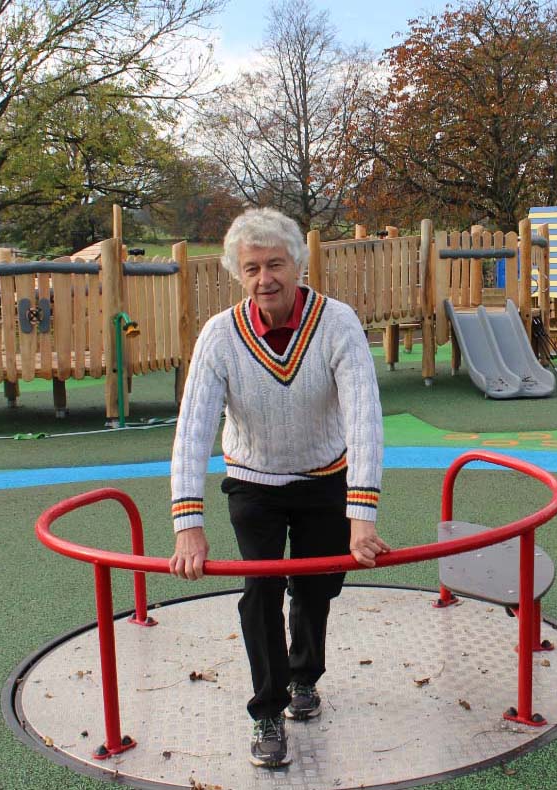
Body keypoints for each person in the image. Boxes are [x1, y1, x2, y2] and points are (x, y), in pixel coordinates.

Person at [168, 207, 390, 768]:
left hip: (324, 476)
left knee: (316, 586)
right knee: (259, 591)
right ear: (236, 275)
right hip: (253, 481)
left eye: (275, 264)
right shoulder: (220, 336)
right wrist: (188, 527)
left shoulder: (337, 323)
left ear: (298, 265)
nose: (264, 278)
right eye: (251, 268)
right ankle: (267, 710)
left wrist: (362, 516)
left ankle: (304, 677)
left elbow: (363, 417)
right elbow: (193, 428)